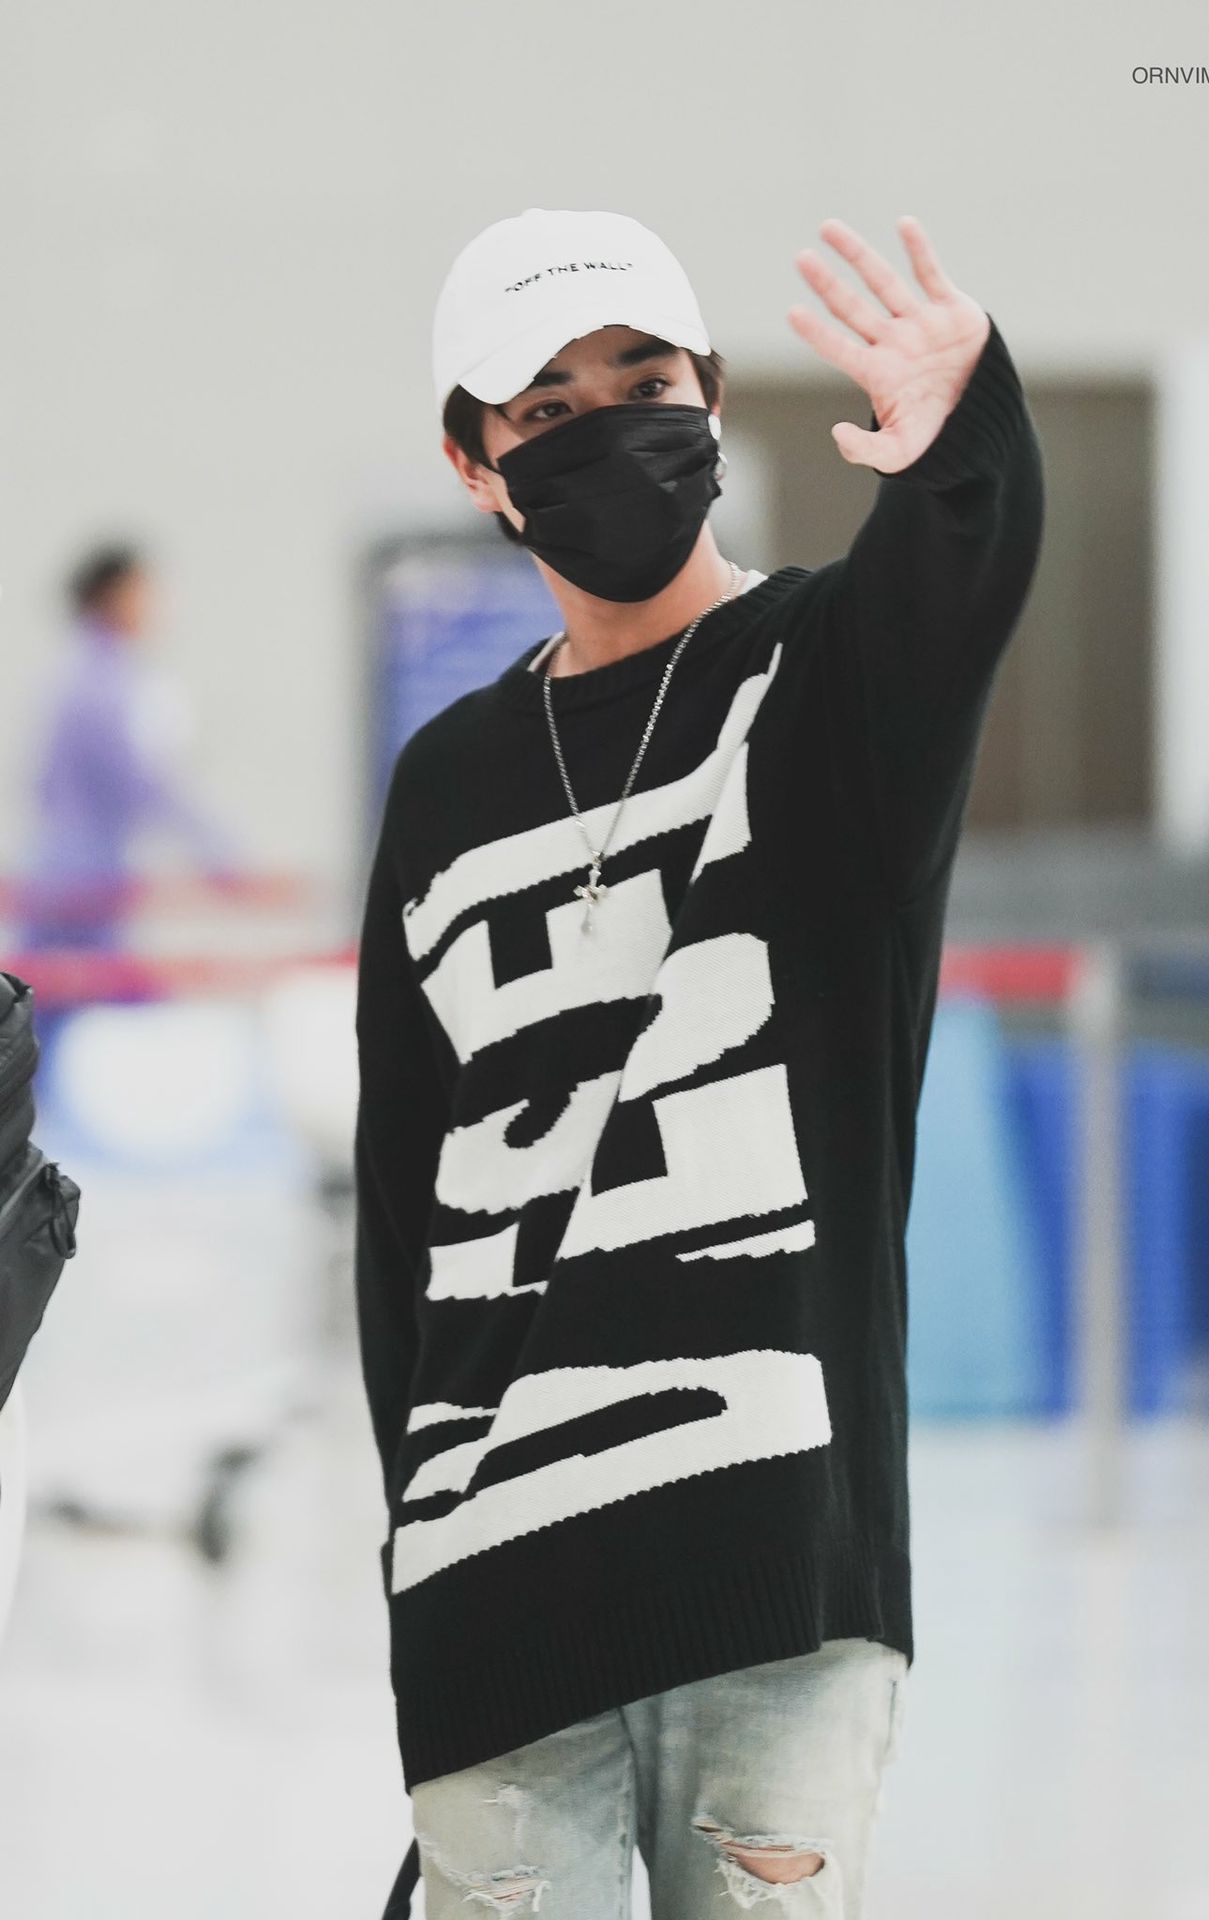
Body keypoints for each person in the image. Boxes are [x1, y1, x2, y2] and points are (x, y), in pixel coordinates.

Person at [354, 205, 1044, 1918]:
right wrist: (414, 1542)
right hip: (492, 1559)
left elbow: (952, 585)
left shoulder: (823, 681)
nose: (607, 428)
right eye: (547, 409)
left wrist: (963, 441)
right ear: (474, 464)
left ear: (713, 397)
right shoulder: (446, 781)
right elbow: (406, 1206)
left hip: (773, 1562)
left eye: (643, 380)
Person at [15, 542, 235, 957]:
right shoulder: (104, 685)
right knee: (94, 982)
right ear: (113, 596)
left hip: (63, 869)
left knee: (44, 985)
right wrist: (220, 854)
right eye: (142, 592)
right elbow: (146, 784)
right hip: (83, 883)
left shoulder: (74, 674)